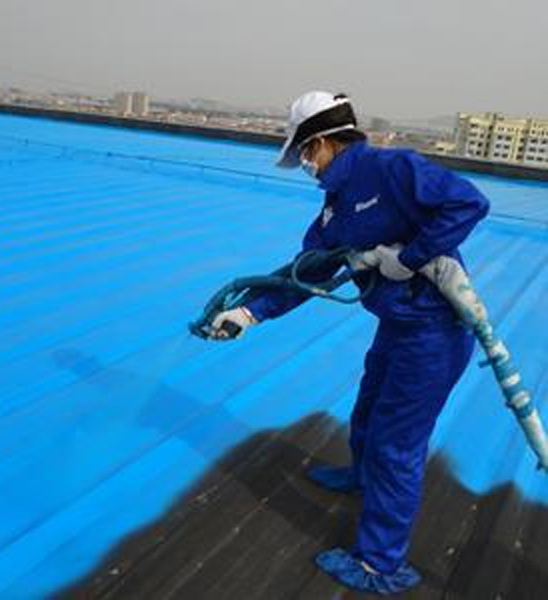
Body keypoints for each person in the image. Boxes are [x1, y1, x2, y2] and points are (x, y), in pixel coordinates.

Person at [210, 91, 490, 595]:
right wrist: (248, 313)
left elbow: (469, 203)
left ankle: (381, 564)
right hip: (398, 325)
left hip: (435, 333)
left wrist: (411, 257)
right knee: (367, 408)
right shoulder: (336, 208)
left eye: (304, 154)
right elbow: (308, 272)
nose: (306, 166)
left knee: (395, 445)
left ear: (322, 142)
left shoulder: (393, 169)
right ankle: (363, 477)